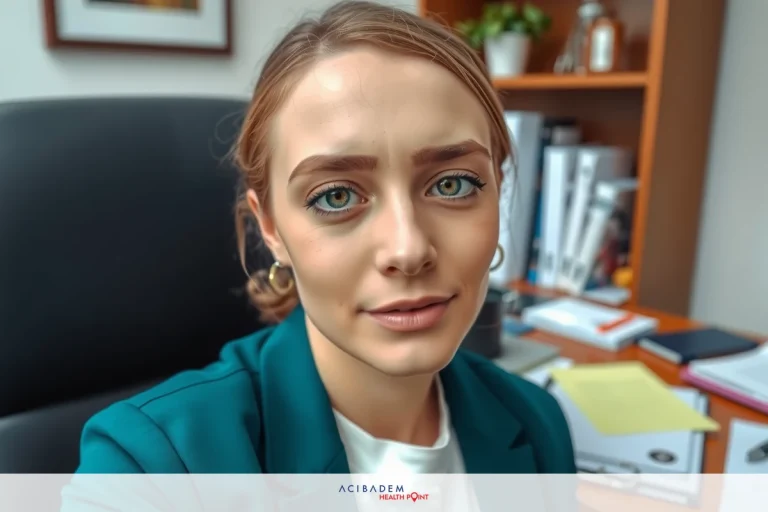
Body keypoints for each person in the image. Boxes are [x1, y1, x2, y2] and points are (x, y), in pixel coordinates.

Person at [73, 0, 575, 475]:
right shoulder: (154, 460)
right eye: (336, 196)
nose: (408, 250)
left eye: (453, 185)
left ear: (498, 193)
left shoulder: (536, 420)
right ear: (271, 228)